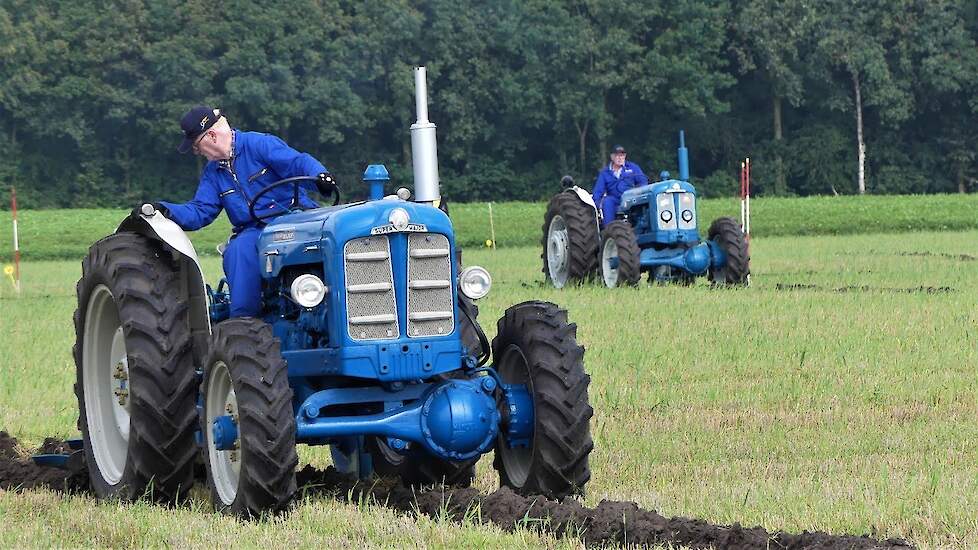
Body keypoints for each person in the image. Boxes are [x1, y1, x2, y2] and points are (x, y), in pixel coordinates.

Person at [142, 106, 338, 318]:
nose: (196, 152)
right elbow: (200, 211)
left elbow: (298, 163)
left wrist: (320, 176)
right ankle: (245, 322)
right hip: (255, 229)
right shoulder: (213, 173)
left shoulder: (259, 144)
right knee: (238, 250)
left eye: (197, 146)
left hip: (294, 217)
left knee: (333, 234)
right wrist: (166, 210)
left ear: (212, 136)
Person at [591, 145, 648, 226]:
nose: (620, 158)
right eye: (617, 155)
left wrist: (638, 192)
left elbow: (643, 182)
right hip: (614, 199)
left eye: (622, 155)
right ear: (612, 157)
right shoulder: (605, 173)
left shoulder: (632, 168)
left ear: (625, 156)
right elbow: (598, 191)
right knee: (607, 201)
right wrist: (596, 205)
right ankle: (609, 230)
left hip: (631, 197)